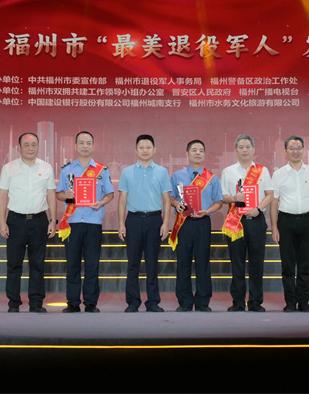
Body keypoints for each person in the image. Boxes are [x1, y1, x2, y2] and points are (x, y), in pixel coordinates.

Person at [55, 131, 115, 313]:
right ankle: (73, 302)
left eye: (88, 143)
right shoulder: (67, 170)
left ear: (93, 146)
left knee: (92, 264)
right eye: (81, 143)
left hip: (93, 222)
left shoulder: (102, 170)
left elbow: (110, 194)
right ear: (76, 146)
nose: (85, 146)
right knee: (72, 263)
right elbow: (58, 194)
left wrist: (101, 203)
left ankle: (90, 302)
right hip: (72, 222)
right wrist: (65, 195)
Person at [0, 132, 57, 313]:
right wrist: (2, 222)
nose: (30, 148)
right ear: (20, 147)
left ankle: (36, 302)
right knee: (14, 264)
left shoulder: (46, 168)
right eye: (27, 145)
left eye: (34, 145)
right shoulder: (9, 168)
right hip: (16, 221)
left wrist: (53, 220)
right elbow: (2, 196)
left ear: (38, 146)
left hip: (39, 220)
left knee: (37, 264)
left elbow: (51, 195)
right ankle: (13, 302)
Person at [118, 134, 171, 313]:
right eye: (141, 147)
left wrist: (166, 223)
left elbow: (166, 199)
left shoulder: (162, 172)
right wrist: (121, 223)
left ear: (154, 150)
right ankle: (133, 301)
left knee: (152, 263)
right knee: (132, 263)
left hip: (155, 220)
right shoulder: (127, 172)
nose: (145, 150)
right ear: (136, 150)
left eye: (148, 147)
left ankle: (153, 301)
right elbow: (122, 200)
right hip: (133, 220)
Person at [221, 134, 274, 312]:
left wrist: (259, 208)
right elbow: (223, 197)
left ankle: (255, 302)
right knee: (237, 263)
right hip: (235, 221)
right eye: (241, 147)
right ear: (236, 150)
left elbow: (270, 195)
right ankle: (237, 301)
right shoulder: (228, 172)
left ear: (253, 150)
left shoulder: (262, 170)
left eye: (248, 147)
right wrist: (234, 198)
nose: (245, 150)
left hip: (256, 220)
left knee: (257, 263)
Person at [270, 135, 309, 312]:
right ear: (285, 151)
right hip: (286, 222)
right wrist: (274, 227)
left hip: (308, 221)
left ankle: (304, 301)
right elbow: (274, 202)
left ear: (303, 150)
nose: (295, 151)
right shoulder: (278, 174)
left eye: (298, 148)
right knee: (287, 265)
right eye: (291, 148)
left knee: (305, 264)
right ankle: (290, 302)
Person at [169, 140, 223, 312]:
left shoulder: (212, 178)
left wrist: (207, 211)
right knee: (183, 263)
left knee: (203, 263)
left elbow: (219, 202)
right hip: (183, 223)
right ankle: (184, 301)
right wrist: (176, 203)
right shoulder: (177, 176)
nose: (197, 153)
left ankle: (202, 301)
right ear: (187, 154)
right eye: (194, 150)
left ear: (204, 154)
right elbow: (169, 197)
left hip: (202, 223)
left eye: (201, 150)